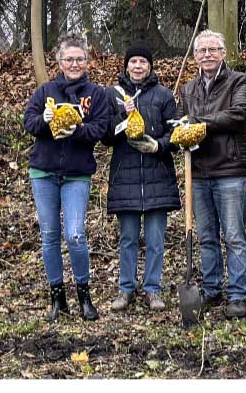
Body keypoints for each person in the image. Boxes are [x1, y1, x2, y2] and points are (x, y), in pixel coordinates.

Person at [23, 32, 110, 322]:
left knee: (74, 234)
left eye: (79, 59)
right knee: (49, 235)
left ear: (87, 61)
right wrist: (45, 121)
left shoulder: (96, 94)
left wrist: (77, 129)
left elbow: (100, 129)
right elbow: (29, 122)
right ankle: (57, 298)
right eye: (69, 59)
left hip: (76, 174)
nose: (74, 64)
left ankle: (84, 296)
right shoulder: (45, 91)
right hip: (43, 172)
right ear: (59, 62)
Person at [176, 29, 246, 319]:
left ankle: (238, 294)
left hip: (230, 170)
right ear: (195, 56)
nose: (207, 55)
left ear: (223, 53)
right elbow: (181, 122)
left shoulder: (239, 81)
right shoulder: (188, 89)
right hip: (198, 172)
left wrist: (198, 123)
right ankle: (211, 288)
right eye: (202, 51)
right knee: (206, 236)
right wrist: (181, 132)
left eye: (213, 50)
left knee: (234, 236)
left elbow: (239, 114)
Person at [102, 40, 180, 313]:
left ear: (150, 66)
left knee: (156, 240)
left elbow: (175, 132)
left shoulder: (164, 95)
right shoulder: (112, 95)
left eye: (143, 62)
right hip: (125, 178)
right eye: (133, 62)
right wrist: (124, 117)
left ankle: (152, 289)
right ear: (126, 66)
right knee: (128, 239)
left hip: (158, 177)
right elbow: (106, 137)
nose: (137, 66)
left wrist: (160, 145)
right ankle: (126, 288)